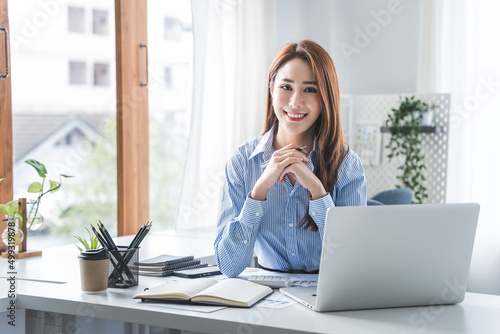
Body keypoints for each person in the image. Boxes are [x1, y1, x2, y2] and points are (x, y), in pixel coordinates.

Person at [214, 40, 367, 278]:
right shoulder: (242, 162)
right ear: (271, 89)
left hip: (328, 292)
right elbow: (228, 266)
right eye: (286, 87)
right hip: (265, 297)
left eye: (310, 89)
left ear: (326, 96)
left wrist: (317, 191)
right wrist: (259, 191)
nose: (295, 101)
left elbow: (355, 262)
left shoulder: (346, 164)